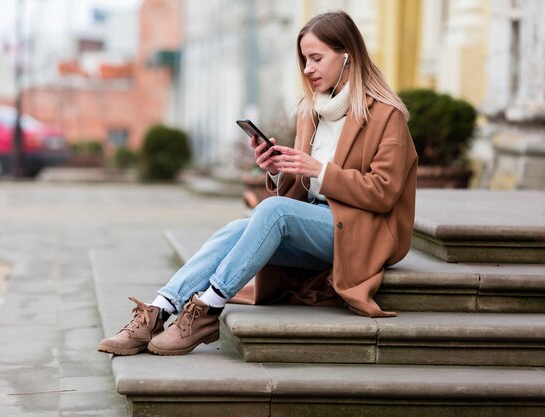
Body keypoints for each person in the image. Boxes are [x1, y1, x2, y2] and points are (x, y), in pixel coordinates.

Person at [98, 10, 417, 357]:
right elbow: (301, 191)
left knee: (274, 211)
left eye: (316, 58)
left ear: (347, 56)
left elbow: (384, 192)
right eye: (304, 59)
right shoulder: (310, 112)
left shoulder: (387, 115)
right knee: (238, 228)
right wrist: (279, 170)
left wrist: (320, 171)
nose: (307, 68)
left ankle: (207, 309)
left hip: (362, 233)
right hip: (319, 225)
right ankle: (160, 308)